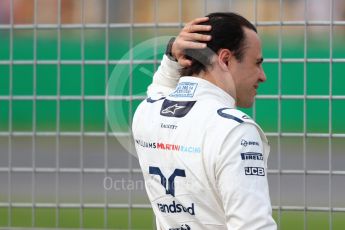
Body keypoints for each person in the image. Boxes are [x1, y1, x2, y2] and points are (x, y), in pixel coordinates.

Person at [132, 12, 277, 230]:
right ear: (225, 59)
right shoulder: (235, 129)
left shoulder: (146, 112)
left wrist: (172, 57)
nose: (262, 75)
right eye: (257, 63)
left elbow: (158, 90)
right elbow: (253, 225)